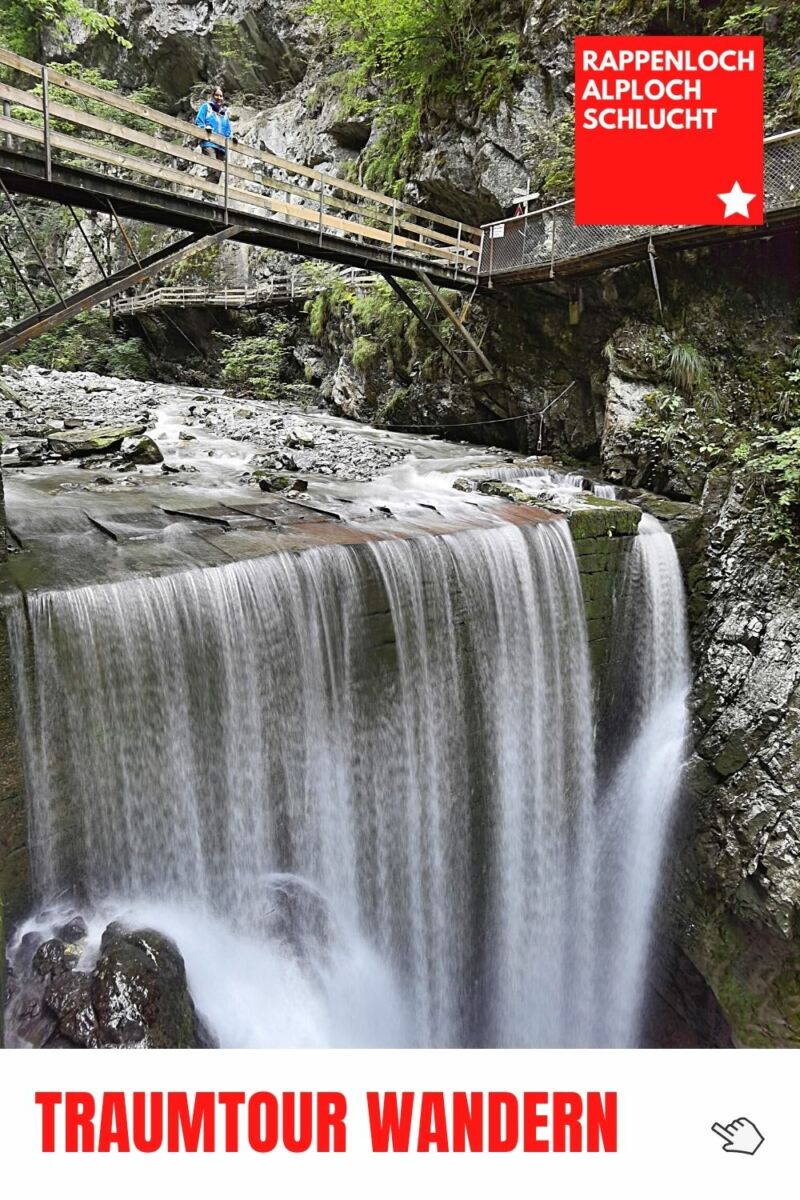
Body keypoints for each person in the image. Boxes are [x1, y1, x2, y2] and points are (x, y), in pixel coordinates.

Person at [195, 86, 232, 185]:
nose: (219, 97)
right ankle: (207, 195)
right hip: (209, 143)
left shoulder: (225, 113)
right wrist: (204, 128)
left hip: (222, 146)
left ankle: (210, 195)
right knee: (213, 167)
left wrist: (230, 139)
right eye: (216, 95)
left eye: (221, 96)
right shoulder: (206, 107)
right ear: (212, 96)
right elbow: (199, 121)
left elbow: (228, 130)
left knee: (218, 173)